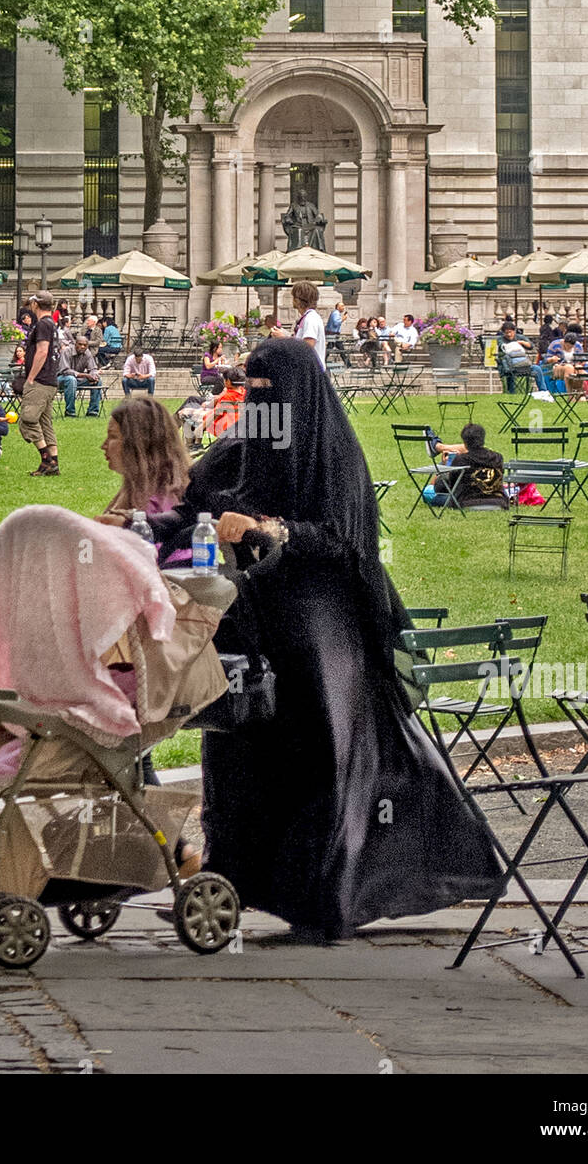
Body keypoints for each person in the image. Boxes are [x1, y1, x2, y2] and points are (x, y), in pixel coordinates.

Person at [149, 338, 505, 939]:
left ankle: (327, 894)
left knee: (320, 757)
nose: (263, 402)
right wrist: (155, 521)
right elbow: (191, 504)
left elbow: (343, 538)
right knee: (238, 754)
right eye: (253, 389)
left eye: (273, 390)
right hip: (250, 623)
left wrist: (272, 529)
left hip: (322, 630)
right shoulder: (239, 451)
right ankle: (232, 882)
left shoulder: (331, 455)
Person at [18, 291, 60, 477]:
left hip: (41, 380)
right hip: (50, 380)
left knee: (27, 420)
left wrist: (31, 378)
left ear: (35, 305)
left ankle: (47, 460)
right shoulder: (52, 323)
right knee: (45, 423)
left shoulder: (43, 324)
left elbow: (42, 352)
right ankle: (54, 464)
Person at [429, 424, 507, 509]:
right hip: (498, 502)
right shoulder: (498, 457)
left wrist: (446, 465)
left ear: (465, 442)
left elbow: (442, 486)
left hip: (469, 502)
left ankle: (437, 446)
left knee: (435, 498)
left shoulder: (461, 460)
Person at [289, 280, 326, 369]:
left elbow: (307, 347)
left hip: (311, 374)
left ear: (298, 299)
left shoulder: (310, 319)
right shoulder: (308, 317)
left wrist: (283, 339)